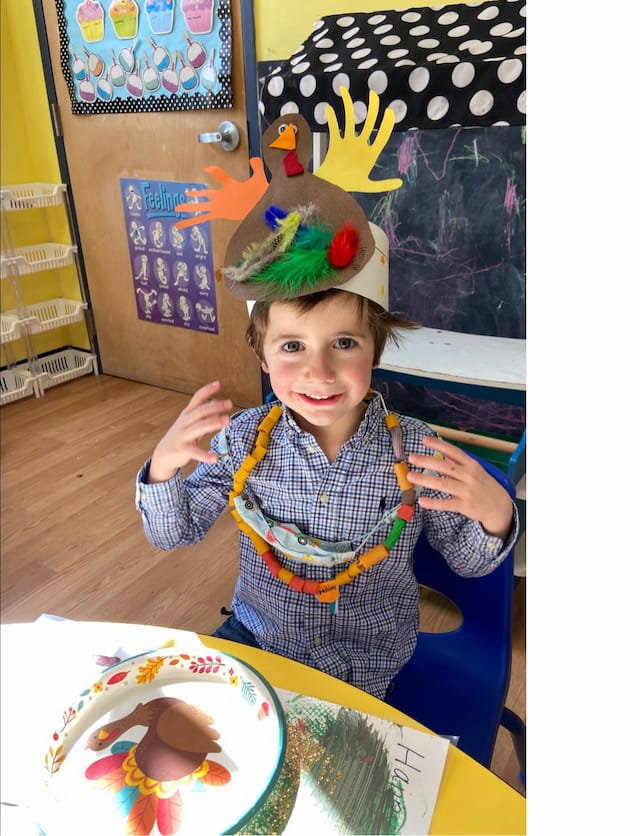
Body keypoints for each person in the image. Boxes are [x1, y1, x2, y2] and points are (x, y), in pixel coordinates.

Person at [136, 105, 518, 700]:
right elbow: (174, 533)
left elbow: (470, 564)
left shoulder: (416, 452)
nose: (318, 370)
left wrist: (497, 512)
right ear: (262, 356)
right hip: (258, 641)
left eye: (344, 342)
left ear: (376, 350)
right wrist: (162, 468)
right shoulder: (241, 442)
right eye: (292, 346)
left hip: (367, 662)